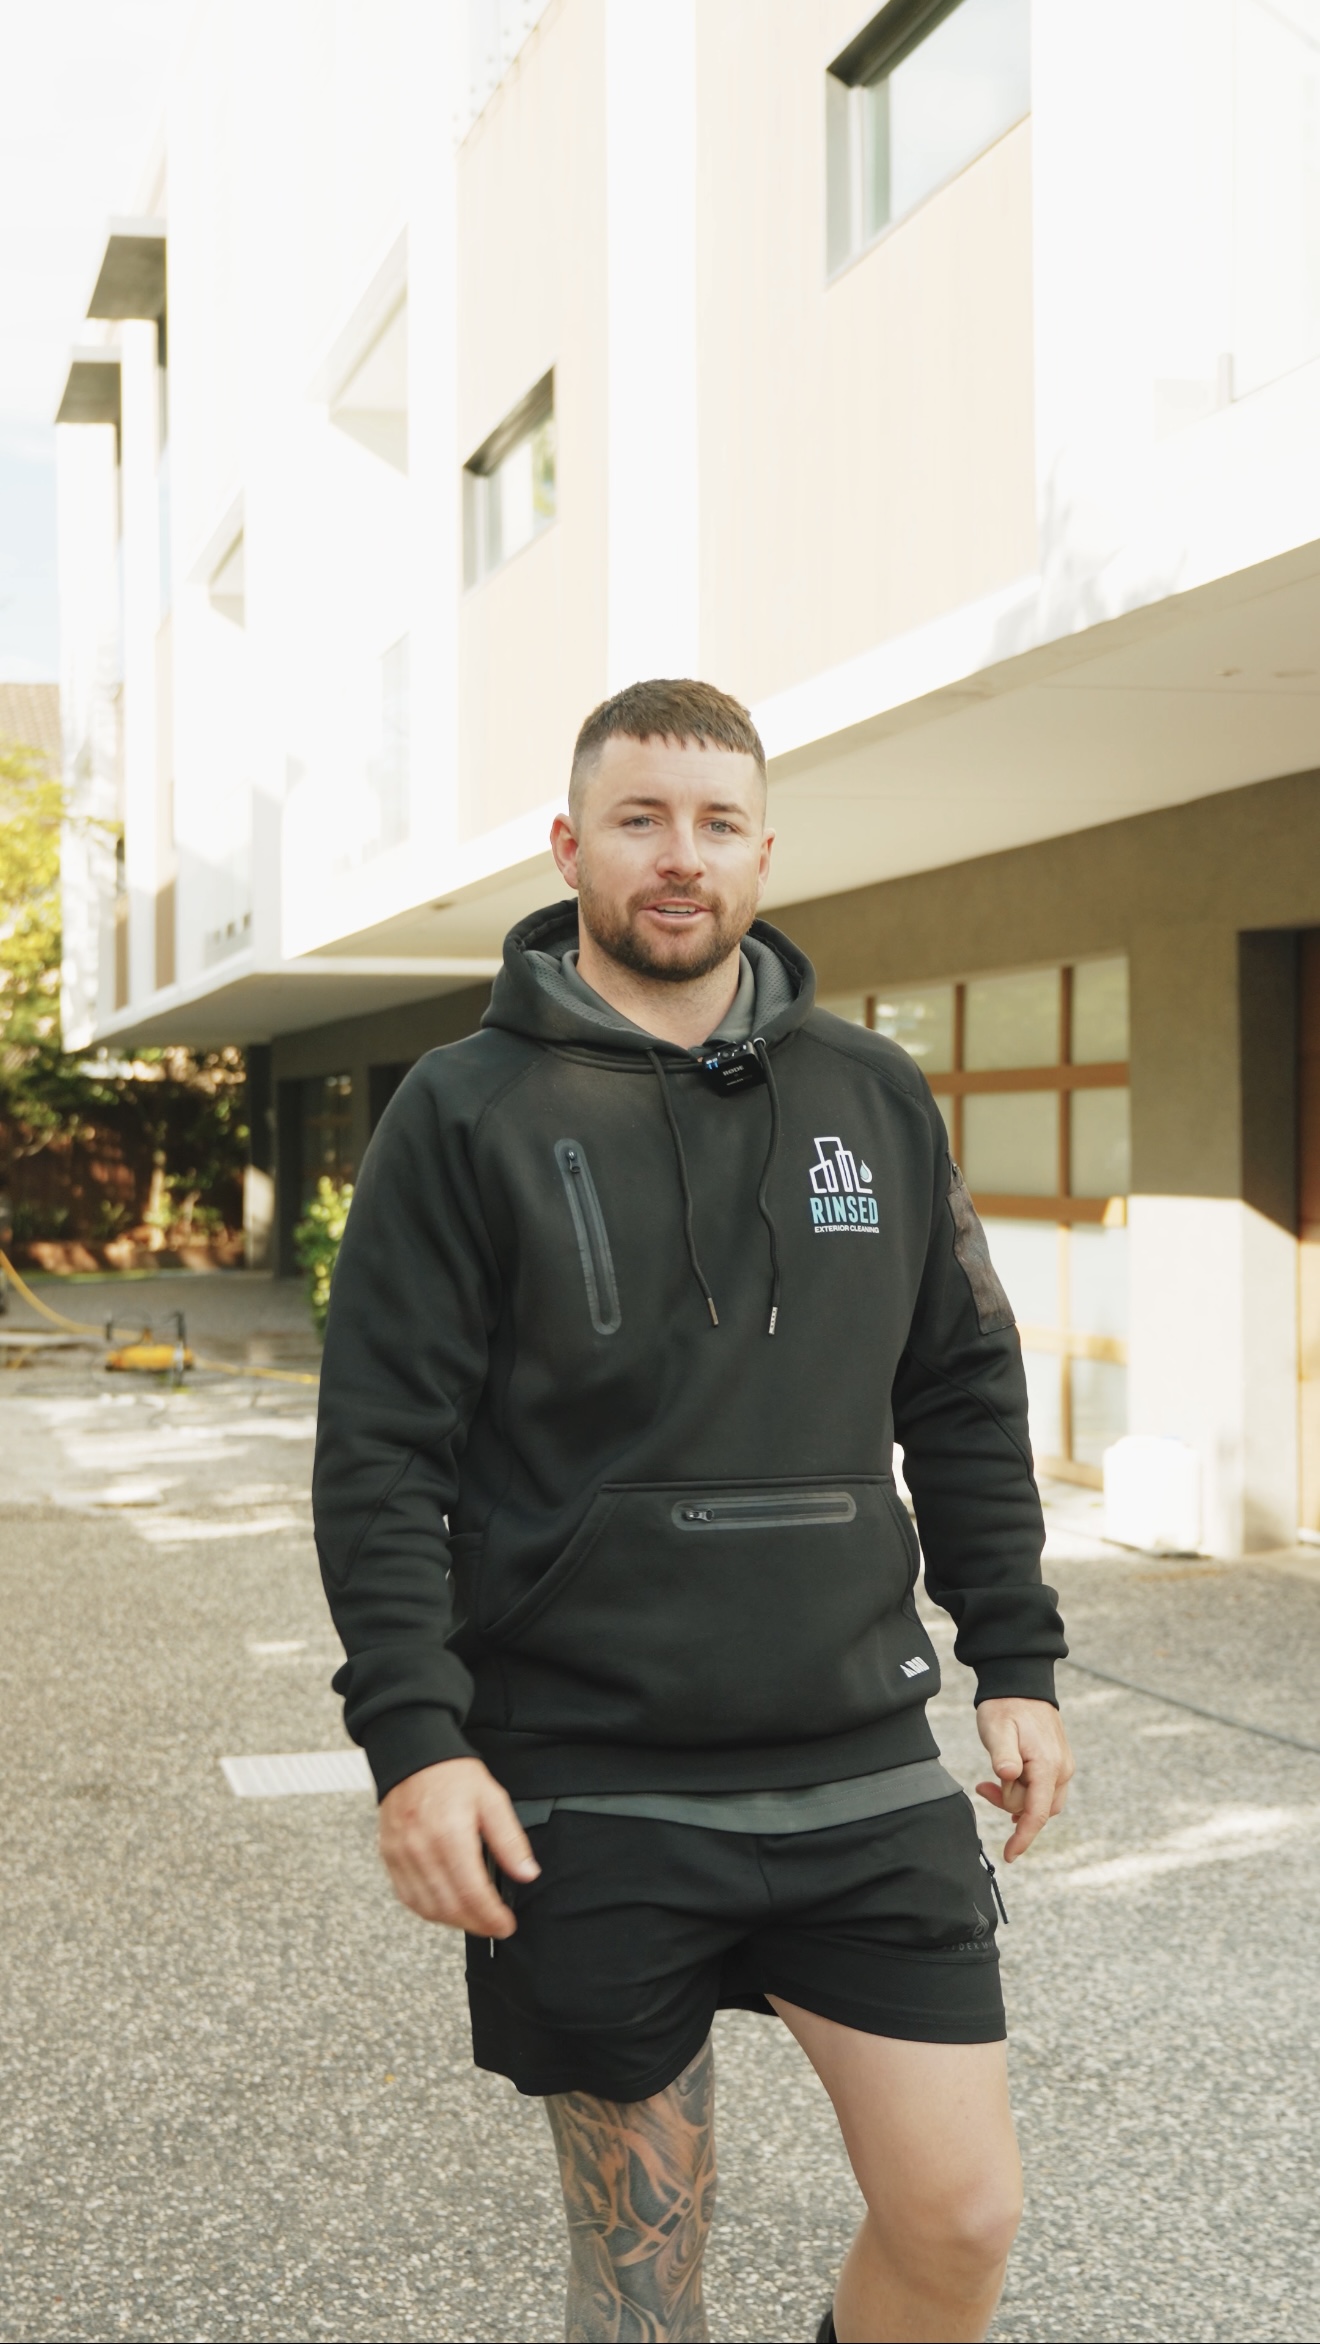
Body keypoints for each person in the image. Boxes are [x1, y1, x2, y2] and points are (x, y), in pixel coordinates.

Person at [313, 677, 1073, 2344]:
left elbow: (960, 1387)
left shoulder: (872, 1094)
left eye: (719, 822)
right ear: (568, 843)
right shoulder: (465, 1109)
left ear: (764, 853)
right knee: (646, 2291)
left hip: (858, 1757)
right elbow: (382, 1454)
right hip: (590, 1776)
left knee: (961, 2219)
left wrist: (1013, 1655)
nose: (682, 855)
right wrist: (416, 1742)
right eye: (641, 818)